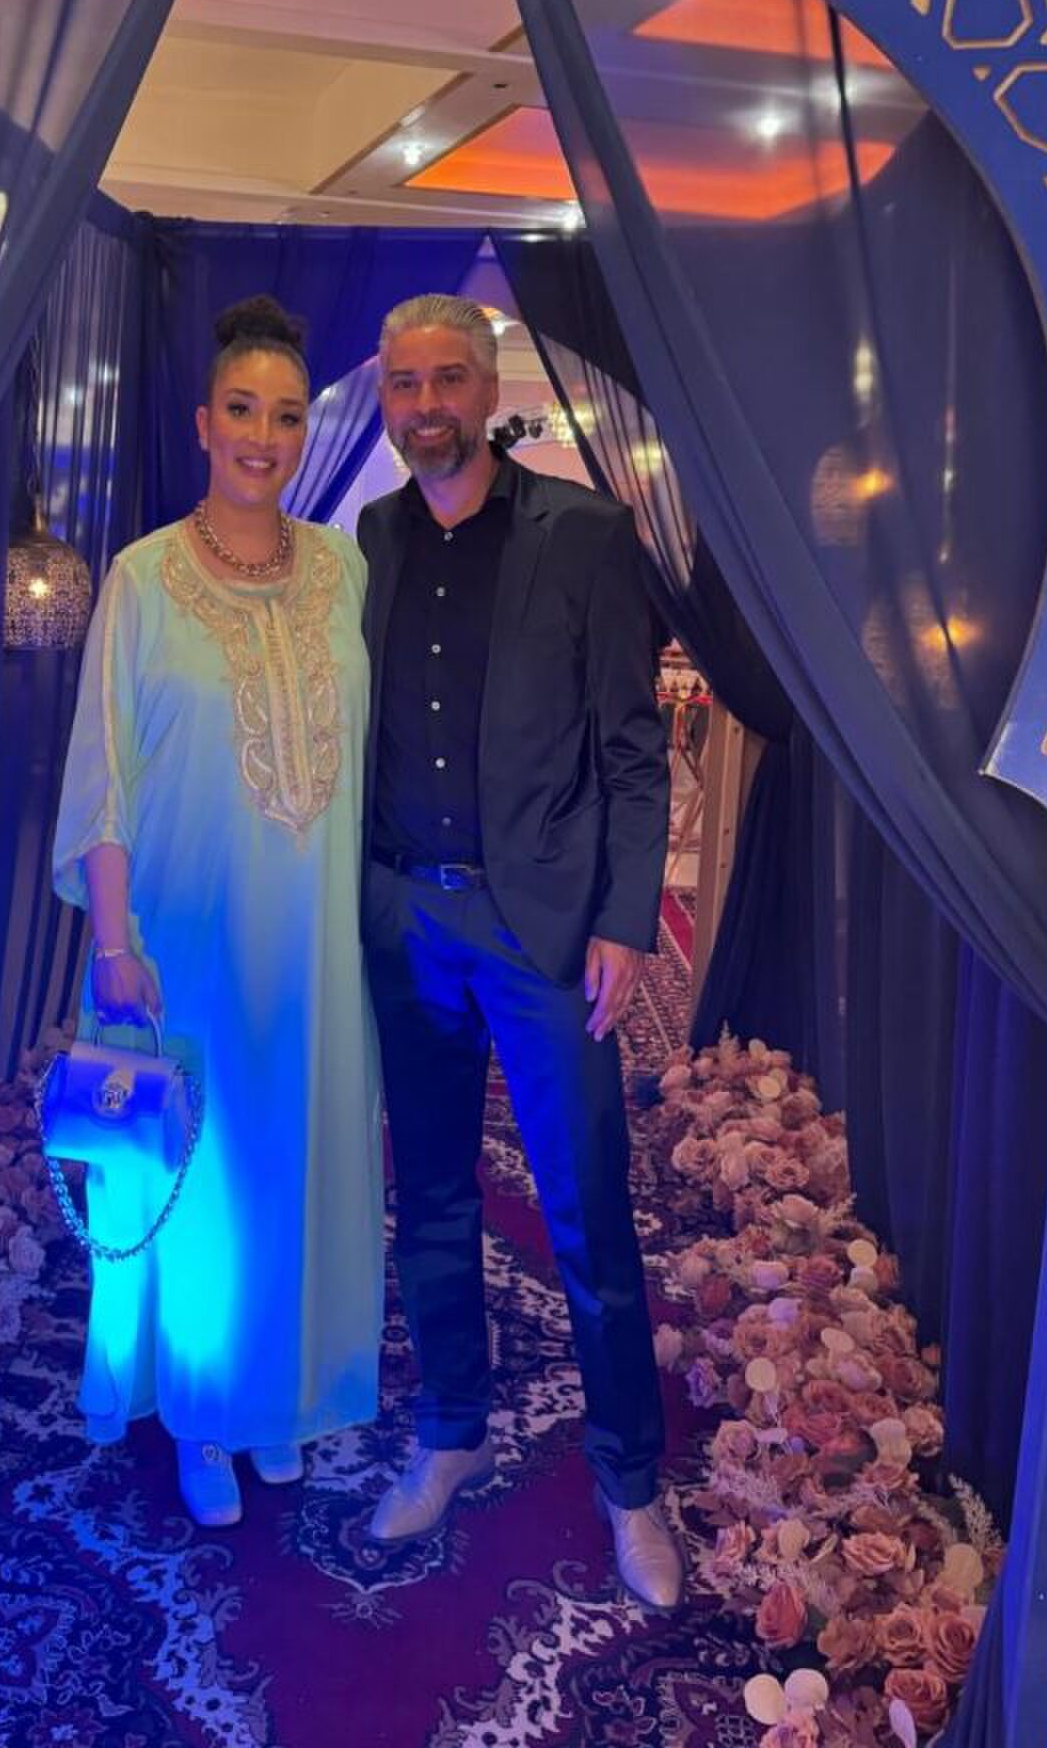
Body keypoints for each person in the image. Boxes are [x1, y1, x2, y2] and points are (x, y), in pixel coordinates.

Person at [357, 294, 684, 1611]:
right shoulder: (370, 541)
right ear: (385, 399)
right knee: (431, 1194)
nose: (426, 404)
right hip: (404, 918)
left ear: (488, 391)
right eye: (404, 382)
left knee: (585, 1205)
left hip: (539, 927)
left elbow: (632, 748)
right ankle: (452, 1429)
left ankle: (630, 1481)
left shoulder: (583, 534)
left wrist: (623, 918)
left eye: (448, 378)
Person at [52, 295, 384, 1529]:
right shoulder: (143, 578)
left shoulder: (343, 572)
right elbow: (104, 772)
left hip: (313, 937)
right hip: (182, 937)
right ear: (203, 422)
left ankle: (277, 1391)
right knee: (205, 1173)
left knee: (295, 1151)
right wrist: (114, 940)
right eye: (242, 409)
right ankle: (200, 1409)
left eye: (288, 416)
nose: (263, 436)